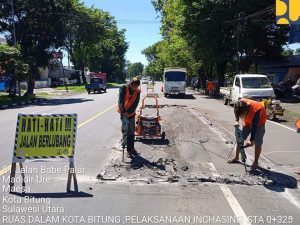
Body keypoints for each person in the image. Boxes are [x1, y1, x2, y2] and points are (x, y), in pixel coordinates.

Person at [228, 98, 267, 169]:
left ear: (246, 111)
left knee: (258, 142)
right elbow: (236, 111)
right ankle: (236, 157)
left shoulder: (257, 110)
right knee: (240, 138)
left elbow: (254, 127)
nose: (241, 117)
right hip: (248, 122)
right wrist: (237, 120)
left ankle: (255, 162)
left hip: (259, 123)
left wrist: (251, 140)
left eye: (242, 115)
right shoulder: (239, 104)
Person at [117, 77, 141, 157]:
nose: (135, 88)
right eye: (134, 86)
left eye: (136, 86)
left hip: (131, 114)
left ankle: (131, 148)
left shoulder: (137, 91)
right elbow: (120, 101)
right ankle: (127, 150)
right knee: (125, 132)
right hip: (123, 113)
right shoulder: (124, 88)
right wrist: (124, 112)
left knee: (131, 131)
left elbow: (135, 104)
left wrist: (129, 112)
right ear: (131, 84)